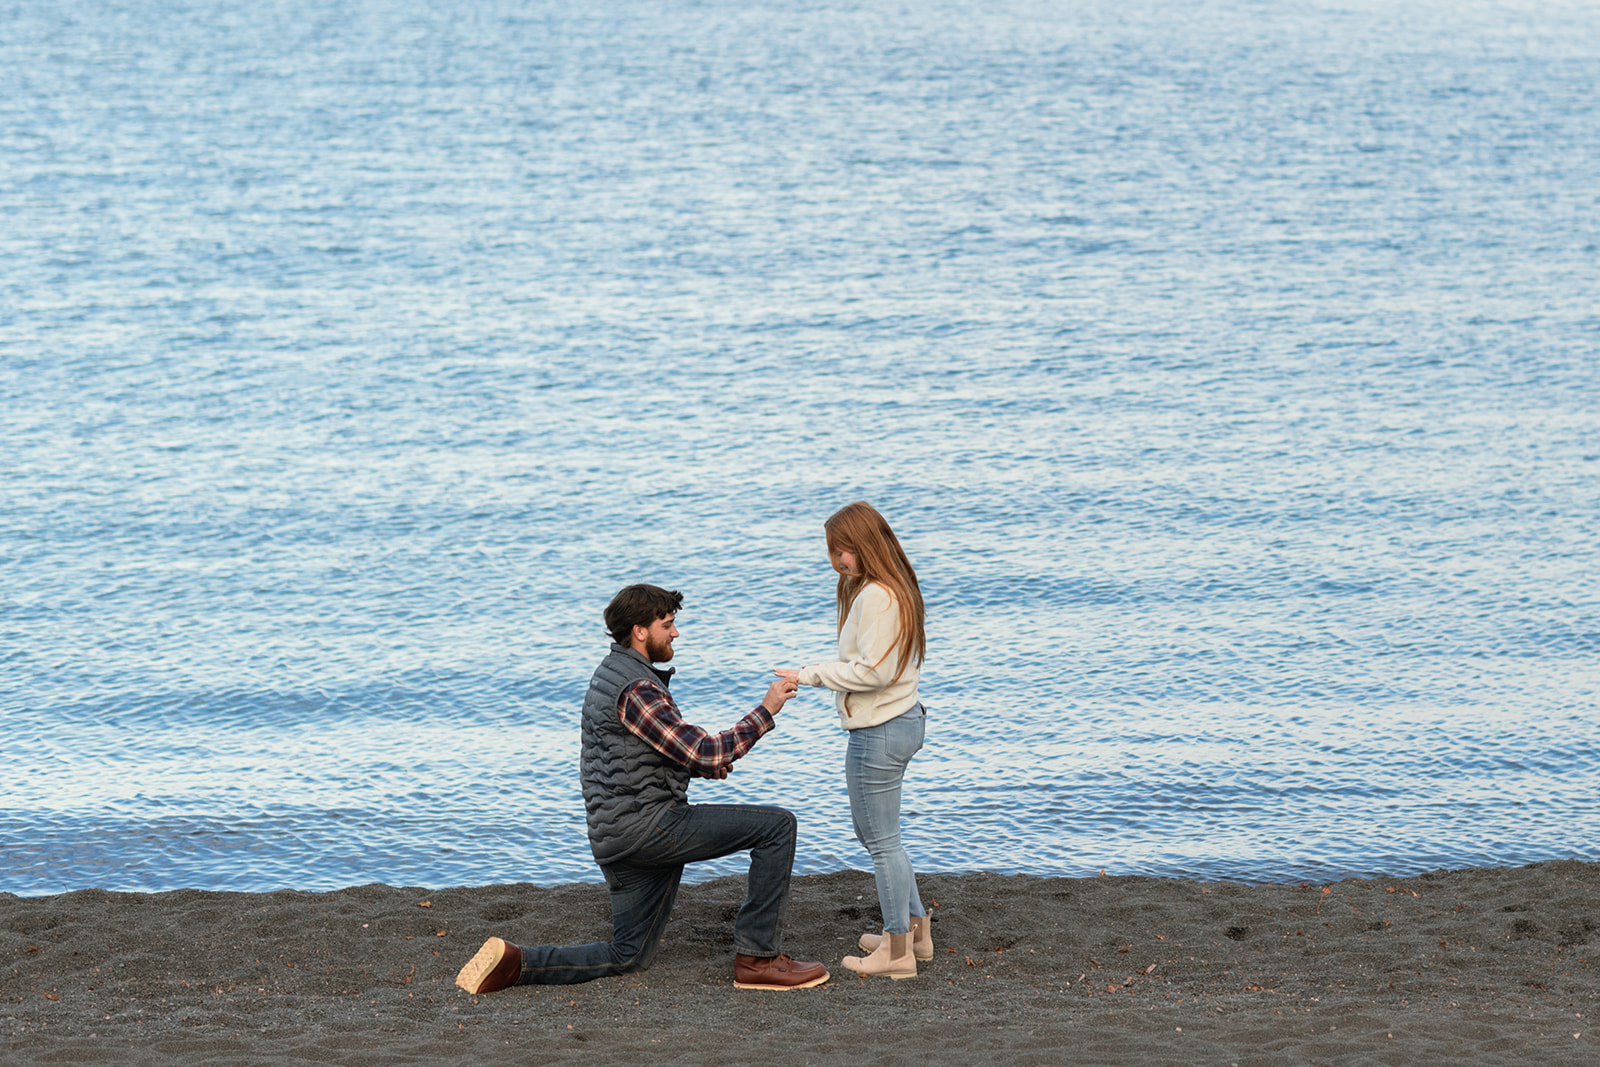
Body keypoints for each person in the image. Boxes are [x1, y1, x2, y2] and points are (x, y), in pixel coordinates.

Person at [454, 584, 829, 994]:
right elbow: (703, 751)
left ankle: (516, 963)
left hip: (617, 839)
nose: (675, 634)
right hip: (649, 830)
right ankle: (758, 961)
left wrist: (700, 767)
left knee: (628, 955)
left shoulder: (609, 673)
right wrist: (767, 708)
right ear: (639, 631)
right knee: (777, 827)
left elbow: (645, 754)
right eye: (667, 625)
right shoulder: (637, 688)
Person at [774, 501, 930, 980]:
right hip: (900, 721)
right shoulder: (892, 588)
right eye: (833, 552)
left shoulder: (878, 596)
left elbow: (874, 672)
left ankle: (897, 951)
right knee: (883, 838)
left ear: (862, 544)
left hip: (880, 730)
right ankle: (916, 933)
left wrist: (809, 673)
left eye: (840, 550)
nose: (835, 560)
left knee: (881, 842)